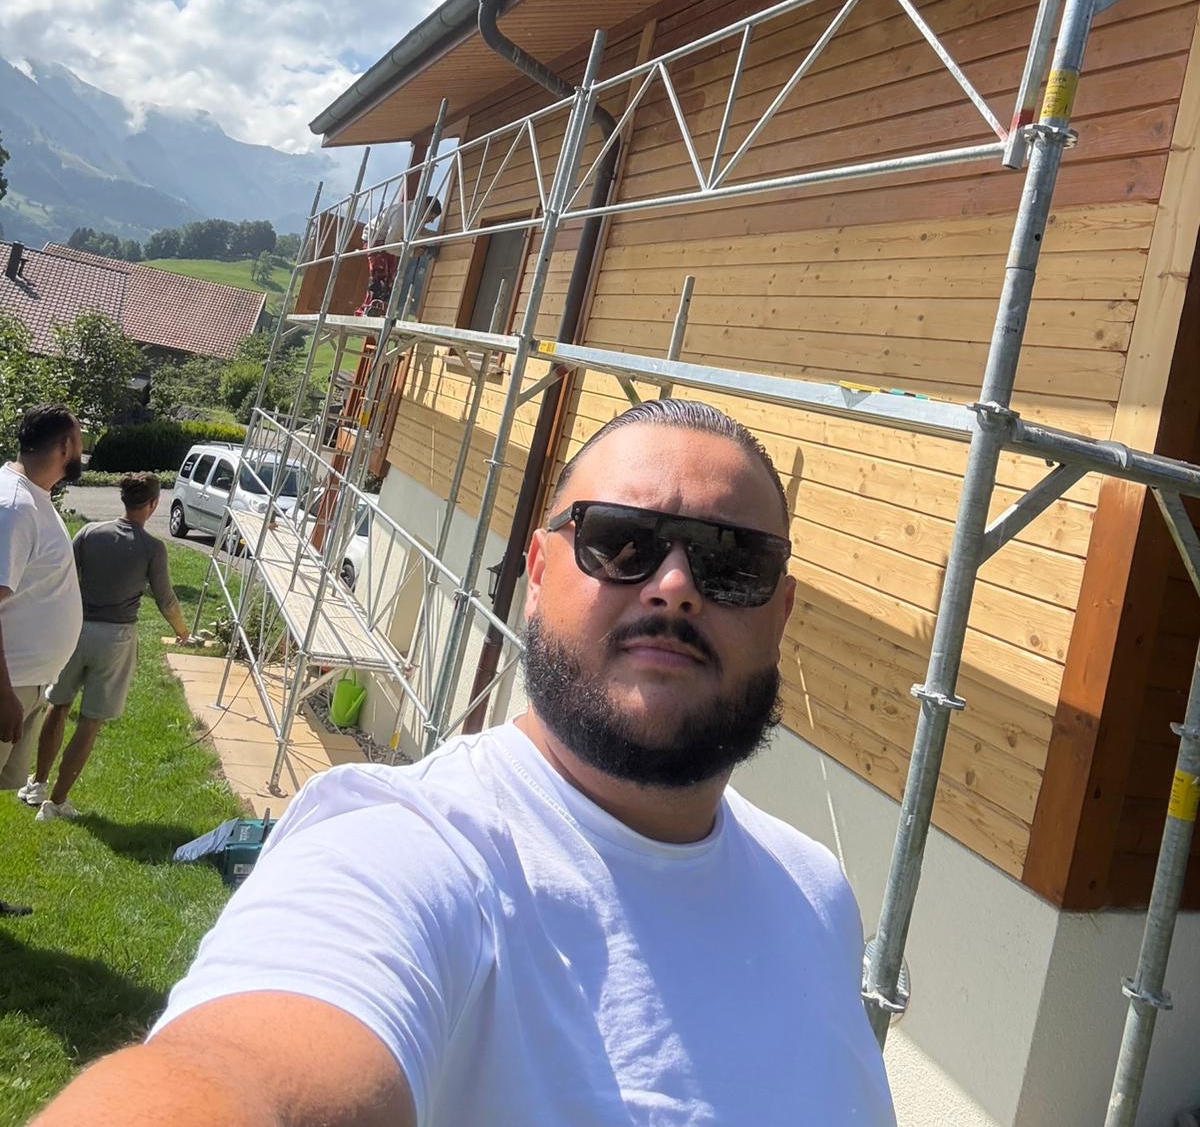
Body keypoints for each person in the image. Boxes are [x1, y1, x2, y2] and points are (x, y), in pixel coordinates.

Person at [31, 399, 895, 1126]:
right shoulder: (408, 850)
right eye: (622, 540)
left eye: (731, 562)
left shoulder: (817, 895)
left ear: (782, 612)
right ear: (538, 572)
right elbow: (235, 1072)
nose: (675, 586)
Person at [20, 472, 194, 821]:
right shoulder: (152, 548)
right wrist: (182, 631)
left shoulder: (89, 532)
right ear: (153, 504)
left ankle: (36, 784)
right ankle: (55, 804)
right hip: (116, 639)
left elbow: (62, 575)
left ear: (124, 499)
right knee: (90, 721)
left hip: (76, 629)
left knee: (57, 705)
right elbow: (166, 600)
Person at [0, 404, 83, 917]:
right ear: (64, 447)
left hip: (26, 683)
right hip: (8, 686)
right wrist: (3, 693)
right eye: (79, 441)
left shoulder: (33, 498)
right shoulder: (14, 506)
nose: (82, 450)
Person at [355, 192, 441, 318]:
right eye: (431, 217)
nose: (431, 221)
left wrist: (439, 236)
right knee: (380, 274)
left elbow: (419, 232)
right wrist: (412, 252)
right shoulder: (402, 215)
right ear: (426, 209)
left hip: (388, 240)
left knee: (390, 277)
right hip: (375, 238)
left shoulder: (415, 214)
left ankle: (378, 310)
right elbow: (390, 245)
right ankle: (366, 311)